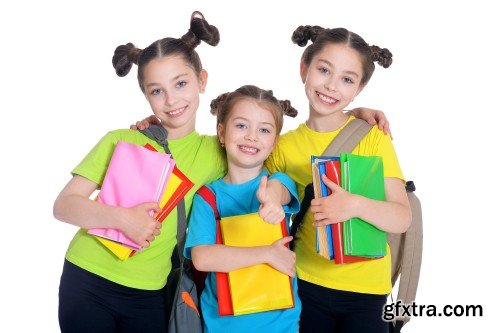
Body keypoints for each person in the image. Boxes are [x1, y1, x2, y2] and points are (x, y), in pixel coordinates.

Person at [52, 11, 227, 332]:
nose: (171, 99)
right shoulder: (123, 139)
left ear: (202, 81)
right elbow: (63, 206)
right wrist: (122, 218)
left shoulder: (216, 152)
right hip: (88, 278)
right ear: (145, 95)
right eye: (156, 90)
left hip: (151, 291)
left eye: (181, 83)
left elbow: (263, 141)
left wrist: (352, 114)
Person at [264, 25, 412, 332]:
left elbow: (401, 218)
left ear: (358, 89)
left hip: (367, 292)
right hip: (304, 284)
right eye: (324, 70)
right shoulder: (283, 146)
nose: (332, 86)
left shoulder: (373, 137)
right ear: (304, 68)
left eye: (347, 79)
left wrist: (354, 205)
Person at [183, 85, 301, 333]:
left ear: (274, 142)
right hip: (222, 324)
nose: (252, 136)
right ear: (221, 133)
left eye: (264, 130)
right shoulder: (207, 197)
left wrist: (270, 199)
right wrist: (267, 254)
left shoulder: (278, 183)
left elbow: (278, 192)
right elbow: (202, 258)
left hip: (280, 323)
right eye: (241, 126)